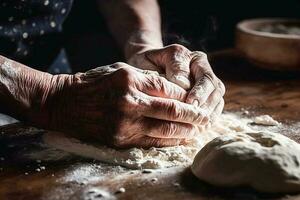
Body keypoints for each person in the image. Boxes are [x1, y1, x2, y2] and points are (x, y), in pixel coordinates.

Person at [0, 0, 225, 148]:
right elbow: (52, 95)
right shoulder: (55, 96)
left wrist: (143, 49)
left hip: (52, 74)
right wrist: (50, 96)